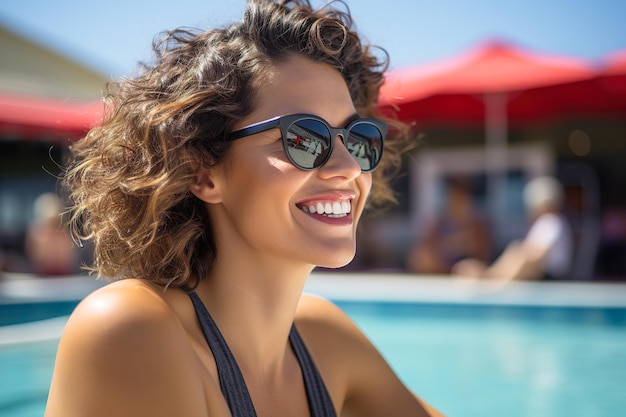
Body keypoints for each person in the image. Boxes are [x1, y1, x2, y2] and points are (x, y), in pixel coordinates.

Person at [44, 1, 444, 416]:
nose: (348, 168)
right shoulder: (129, 330)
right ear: (203, 172)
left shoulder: (325, 339)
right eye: (304, 139)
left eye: (357, 138)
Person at [452, 176, 574, 281]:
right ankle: (491, 276)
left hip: (551, 276)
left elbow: (536, 255)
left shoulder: (551, 221)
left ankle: (491, 279)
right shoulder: (547, 221)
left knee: (521, 255)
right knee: (516, 250)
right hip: (543, 273)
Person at [406, 176, 491, 274]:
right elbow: (428, 246)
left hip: (465, 268)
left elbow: (481, 252)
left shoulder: (477, 224)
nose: (455, 201)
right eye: (453, 197)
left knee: (468, 268)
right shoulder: (441, 223)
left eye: (459, 197)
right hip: (442, 267)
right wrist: (455, 243)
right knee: (420, 257)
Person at [25, 192, 79, 276]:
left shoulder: (63, 232)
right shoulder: (38, 232)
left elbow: (68, 257)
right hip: (42, 276)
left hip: (62, 275)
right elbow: (35, 255)